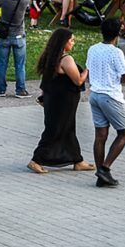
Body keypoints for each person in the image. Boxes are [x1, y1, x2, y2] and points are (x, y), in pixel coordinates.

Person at [28, 28, 94, 173]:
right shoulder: (66, 59)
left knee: (67, 129)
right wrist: (88, 69)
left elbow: (46, 82)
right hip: (64, 102)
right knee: (56, 130)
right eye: (71, 40)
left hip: (54, 100)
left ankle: (77, 160)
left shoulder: (50, 58)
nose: (73, 43)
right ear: (64, 42)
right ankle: (36, 160)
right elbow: (78, 80)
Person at [86, 18, 125, 187]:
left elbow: (89, 70)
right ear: (118, 33)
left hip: (95, 95)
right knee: (124, 133)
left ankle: (101, 177)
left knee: (100, 136)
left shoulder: (93, 49)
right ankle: (104, 169)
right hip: (111, 96)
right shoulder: (116, 52)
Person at [0, 0, 31, 98]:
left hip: (5, 36)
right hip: (19, 36)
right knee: (20, 65)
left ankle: (1, 90)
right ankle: (20, 90)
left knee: (2, 63)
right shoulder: (25, 0)